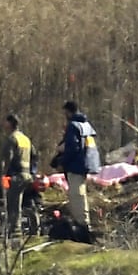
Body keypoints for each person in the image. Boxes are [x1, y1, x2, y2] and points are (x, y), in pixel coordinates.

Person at [54, 100, 101, 238]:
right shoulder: (86, 125)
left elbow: (72, 148)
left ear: (68, 112)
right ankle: (84, 222)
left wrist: (62, 162)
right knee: (81, 195)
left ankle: (82, 226)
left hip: (76, 166)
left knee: (76, 195)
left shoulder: (73, 126)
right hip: (86, 164)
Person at [0, 113, 35, 237]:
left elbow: (7, 159)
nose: (4, 124)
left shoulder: (12, 139)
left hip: (15, 176)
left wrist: (3, 175)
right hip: (26, 175)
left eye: (5, 122)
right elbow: (34, 156)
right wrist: (33, 172)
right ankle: (18, 228)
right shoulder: (25, 139)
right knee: (18, 203)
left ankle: (14, 231)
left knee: (12, 204)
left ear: (10, 123)